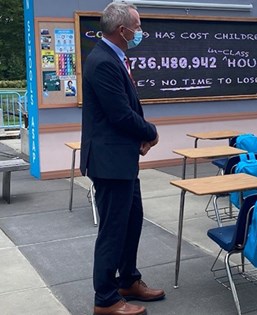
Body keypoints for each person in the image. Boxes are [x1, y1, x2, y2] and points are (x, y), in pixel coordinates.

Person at [80, 3, 163, 315]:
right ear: (122, 30)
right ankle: (106, 299)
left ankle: (128, 280)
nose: (140, 32)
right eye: (138, 26)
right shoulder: (103, 62)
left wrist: (141, 134)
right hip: (109, 162)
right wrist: (150, 132)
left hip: (122, 160)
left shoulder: (113, 58)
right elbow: (119, 114)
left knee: (132, 221)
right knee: (113, 230)